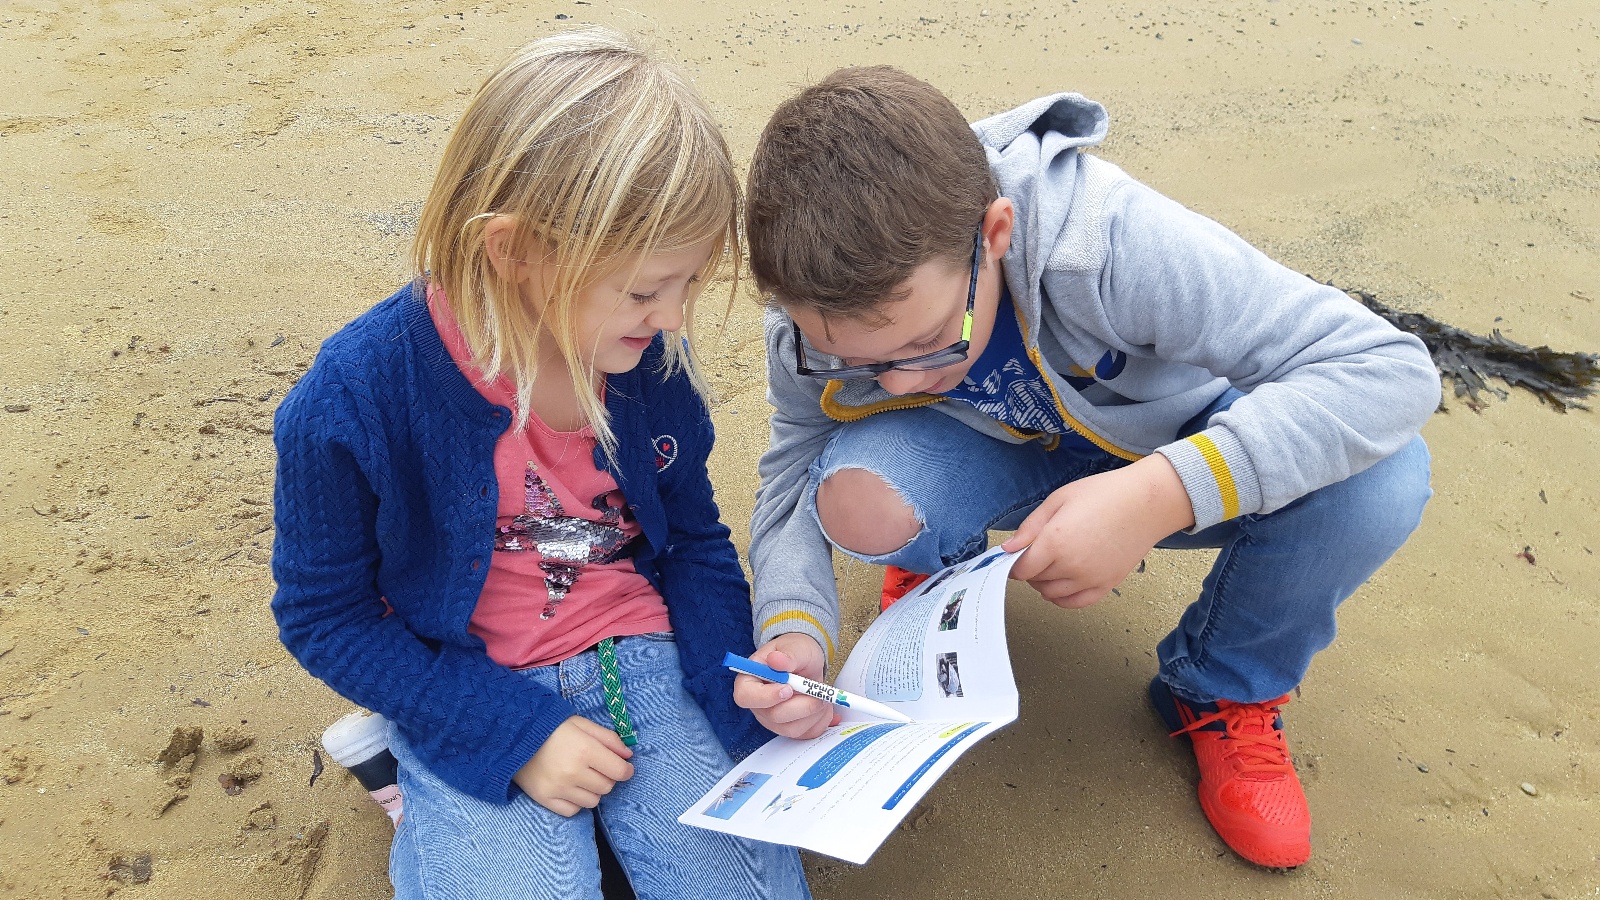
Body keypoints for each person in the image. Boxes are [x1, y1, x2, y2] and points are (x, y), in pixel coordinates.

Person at [732, 66, 1437, 870]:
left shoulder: (1103, 238)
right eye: (859, 360)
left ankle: (1219, 690)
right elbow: (790, 470)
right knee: (858, 500)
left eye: (931, 342)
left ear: (993, 234)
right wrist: (792, 627)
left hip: (1165, 439)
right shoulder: (807, 323)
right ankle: (937, 589)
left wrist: (1157, 496)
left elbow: (1390, 369)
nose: (897, 381)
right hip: (990, 448)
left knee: (1380, 483)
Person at [270, 28, 809, 900]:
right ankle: (411, 780)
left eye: (690, 285)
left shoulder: (648, 368)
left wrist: (739, 692)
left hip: (641, 655)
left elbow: (694, 545)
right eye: (644, 291)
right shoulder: (355, 395)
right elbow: (325, 618)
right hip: (467, 674)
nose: (673, 320)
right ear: (517, 250)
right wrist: (510, 733)